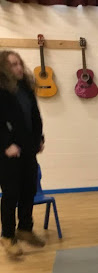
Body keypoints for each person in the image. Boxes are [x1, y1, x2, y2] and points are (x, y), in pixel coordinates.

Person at [0, 51, 45, 256]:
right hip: (8, 153)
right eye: (12, 65)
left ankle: (25, 229)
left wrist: (39, 139)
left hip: (27, 149)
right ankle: (8, 236)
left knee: (29, 190)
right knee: (11, 195)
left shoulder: (25, 89)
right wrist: (5, 145)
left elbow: (34, 117)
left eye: (19, 64)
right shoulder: (2, 91)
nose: (18, 68)